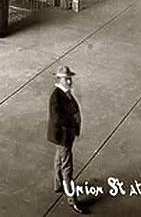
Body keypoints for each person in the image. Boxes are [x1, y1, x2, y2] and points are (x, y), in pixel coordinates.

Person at [48, 65, 89, 214]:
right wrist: (72, 128)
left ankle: (58, 184)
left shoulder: (64, 93)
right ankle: (72, 200)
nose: (70, 82)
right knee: (67, 167)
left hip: (65, 136)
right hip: (64, 136)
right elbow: (58, 119)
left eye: (70, 79)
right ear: (59, 80)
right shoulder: (57, 97)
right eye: (67, 79)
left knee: (59, 159)